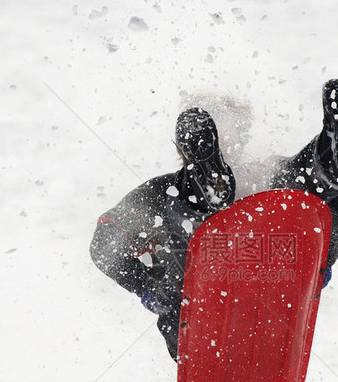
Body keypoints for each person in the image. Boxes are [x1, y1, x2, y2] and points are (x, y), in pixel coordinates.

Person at [90, 107, 235, 360]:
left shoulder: (264, 175)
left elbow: (102, 247)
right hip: (220, 304)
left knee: (300, 179)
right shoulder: (160, 193)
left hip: (223, 301)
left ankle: (326, 165)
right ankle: (203, 193)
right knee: (184, 214)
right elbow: (104, 243)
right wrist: (143, 285)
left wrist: (323, 255)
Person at [270, 79, 338, 284]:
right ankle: (332, 166)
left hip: (274, 259)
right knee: (282, 178)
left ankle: (333, 164)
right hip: (270, 256)